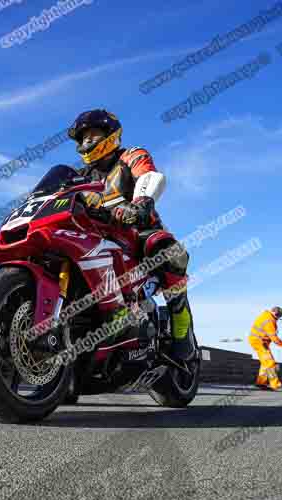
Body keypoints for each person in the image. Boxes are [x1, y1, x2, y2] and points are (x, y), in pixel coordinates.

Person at [68, 109, 196, 361]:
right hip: (97, 236)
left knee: (168, 250)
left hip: (137, 232)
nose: (86, 143)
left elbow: (149, 175)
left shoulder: (130, 156)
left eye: (92, 135)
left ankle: (181, 324)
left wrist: (142, 202)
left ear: (110, 134)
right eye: (82, 139)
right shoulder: (79, 176)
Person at [248, 306, 282, 391]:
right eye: (280, 316)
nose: (280, 318)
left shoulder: (267, 316)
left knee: (265, 363)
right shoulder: (269, 320)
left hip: (260, 342)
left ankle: (261, 382)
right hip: (259, 342)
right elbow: (275, 339)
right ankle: (275, 384)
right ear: (276, 313)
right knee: (270, 363)